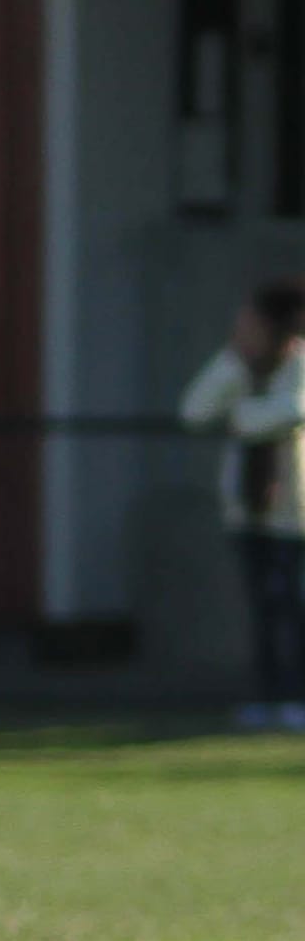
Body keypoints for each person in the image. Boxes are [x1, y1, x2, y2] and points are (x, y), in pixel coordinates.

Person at [179, 281, 305, 727]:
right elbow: (193, 412)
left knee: (292, 606)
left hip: (295, 514)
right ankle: (271, 699)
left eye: (250, 319)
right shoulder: (238, 366)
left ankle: (296, 697)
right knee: (264, 609)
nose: (242, 326)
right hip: (249, 511)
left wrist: (241, 418)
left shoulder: (298, 362)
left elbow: (293, 410)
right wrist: (231, 360)